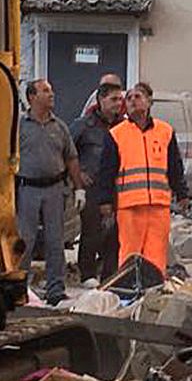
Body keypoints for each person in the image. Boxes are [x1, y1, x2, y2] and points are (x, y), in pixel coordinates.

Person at [103, 82, 190, 282]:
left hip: (158, 206)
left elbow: (174, 167)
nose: (133, 101)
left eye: (138, 96)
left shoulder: (165, 131)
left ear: (149, 102)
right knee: (129, 253)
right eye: (129, 98)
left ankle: (153, 291)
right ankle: (128, 290)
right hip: (130, 205)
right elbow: (107, 171)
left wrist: (182, 194)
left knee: (156, 254)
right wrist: (105, 201)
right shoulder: (117, 134)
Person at [16, 78, 82, 305]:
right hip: (28, 190)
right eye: (45, 91)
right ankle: (18, 288)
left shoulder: (60, 127)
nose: (51, 94)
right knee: (25, 240)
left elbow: (71, 158)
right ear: (32, 97)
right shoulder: (19, 127)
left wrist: (79, 188)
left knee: (56, 241)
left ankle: (55, 289)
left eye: (51, 90)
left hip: (54, 189)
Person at [73, 80, 124, 283]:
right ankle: (87, 274)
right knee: (92, 232)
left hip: (116, 187)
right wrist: (78, 175)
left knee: (114, 234)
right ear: (101, 100)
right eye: (113, 99)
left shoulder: (123, 127)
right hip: (92, 187)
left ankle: (110, 275)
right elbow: (67, 152)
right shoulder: (83, 126)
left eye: (120, 99)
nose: (118, 103)